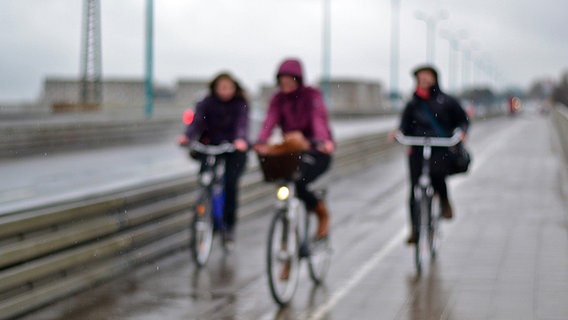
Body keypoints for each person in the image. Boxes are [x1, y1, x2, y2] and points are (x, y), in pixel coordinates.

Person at [254, 58, 335, 240]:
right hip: (292, 151)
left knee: (300, 183)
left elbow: (318, 119)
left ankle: (322, 213)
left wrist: (322, 141)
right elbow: (270, 120)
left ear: (298, 80)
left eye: (290, 81)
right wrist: (261, 140)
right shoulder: (278, 99)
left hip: (316, 150)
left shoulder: (311, 95)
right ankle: (286, 241)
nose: (286, 85)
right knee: (283, 180)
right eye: (283, 82)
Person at [392, 65, 469, 244]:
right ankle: (414, 230)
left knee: (437, 175)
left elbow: (462, 120)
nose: (424, 81)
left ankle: (444, 201)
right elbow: (404, 125)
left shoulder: (447, 101)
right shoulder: (413, 104)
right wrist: (398, 133)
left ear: (434, 78)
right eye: (420, 78)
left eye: (427, 77)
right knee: (414, 189)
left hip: (439, 147)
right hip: (417, 147)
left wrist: (461, 133)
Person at [183, 72, 249, 247]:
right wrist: (187, 137)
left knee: (230, 184)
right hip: (210, 146)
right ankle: (206, 212)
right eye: (222, 87)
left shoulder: (239, 104)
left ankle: (229, 226)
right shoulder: (207, 103)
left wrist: (240, 140)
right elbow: (197, 122)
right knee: (205, 179)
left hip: (231, 149)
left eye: (228, 87)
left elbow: (241, 124)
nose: (225, 91)